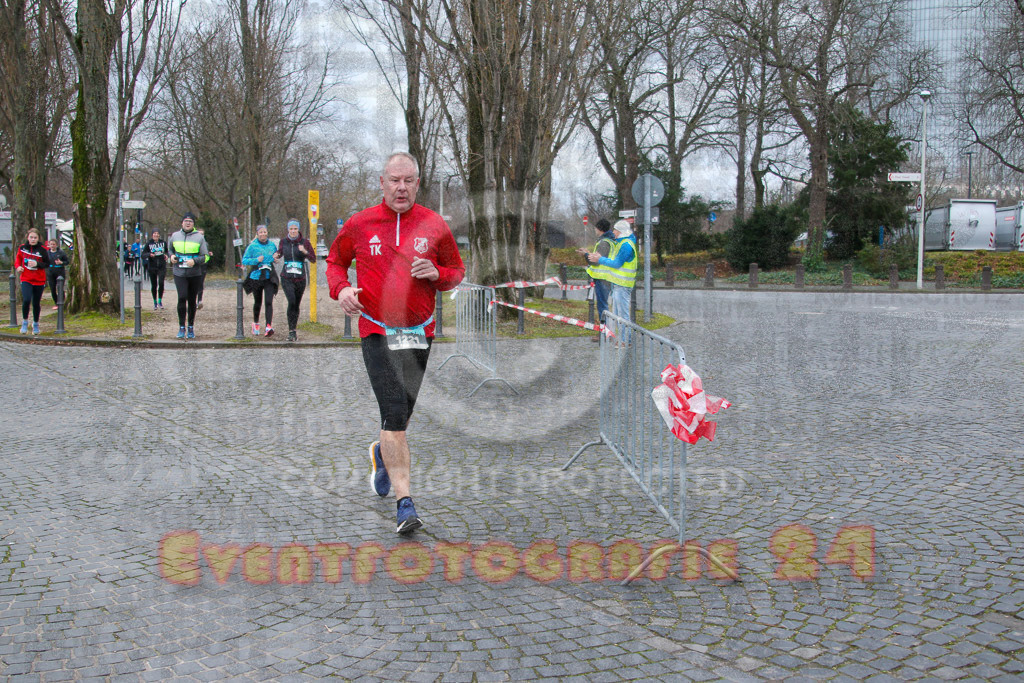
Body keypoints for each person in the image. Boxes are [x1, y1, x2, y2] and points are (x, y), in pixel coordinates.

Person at [327, 152, 465, 535]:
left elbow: (456, 272)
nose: (401, 188)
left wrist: (437, 273)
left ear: (417, 183)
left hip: (420, 331)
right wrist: (341, 290)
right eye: (394, 180)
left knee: (402, 415)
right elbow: (335, 262)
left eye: (408, 181)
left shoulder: (434, 225)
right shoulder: (360, 223)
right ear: (382, 183)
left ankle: (382, 453)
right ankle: (405, 504)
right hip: (376, 330)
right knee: (393, 413)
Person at [585, 219, 637, 344]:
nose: (613, 232)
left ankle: (625, 340)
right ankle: (622, 339)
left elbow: (617, 263)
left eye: (615, 230)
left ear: (621, 231)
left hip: (623, 284)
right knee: (618, 314)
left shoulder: (626, 245)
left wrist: (599, 259)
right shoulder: (622, 243)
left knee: (622, 314)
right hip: (618, 284)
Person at [168, 212, 209, 339]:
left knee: (192, 299)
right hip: (179, 272)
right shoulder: (175, 236)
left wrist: (195, 261)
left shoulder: (199, 238)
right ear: (182, 223)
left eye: (190, 221)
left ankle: (190, 326)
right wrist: (172, 256)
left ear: (193, 224)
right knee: (182, 297)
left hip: (194, 273)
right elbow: (169, 250)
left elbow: (206, 256)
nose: (188, 223)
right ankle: (181, 327)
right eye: (185, 221)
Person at [275, 219, 316, 342]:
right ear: (288, 230)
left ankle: (293, 330)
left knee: (296, 304)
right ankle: (291, 331)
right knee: (291, 301)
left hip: (300, 278)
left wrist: (304, 251)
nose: (293, 231)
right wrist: (276, 256)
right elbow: (280, 253)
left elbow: (313, 258)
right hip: (286, 277)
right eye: (291, 229)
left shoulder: (305, 242)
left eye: (295, 229)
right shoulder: (283, 242)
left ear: (298, 230)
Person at [578, 218, 615, 341]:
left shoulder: (604, 242)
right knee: (604, 306)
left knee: (602, 307)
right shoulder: (609, 241)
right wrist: (588, 253)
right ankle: (606, 332)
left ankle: (605, 333)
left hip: (602, 278)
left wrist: (585, 255)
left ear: (600, 229)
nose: (594, 230)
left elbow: (596, 261)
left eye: (595, 228)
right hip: (606, 277)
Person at [241, 224, 280, 337]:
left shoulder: (272, 245)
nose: (263, 234)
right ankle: (256, 323)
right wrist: (256, 260)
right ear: (257, 234)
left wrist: (276, 259)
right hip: (256, 277)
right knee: (258, 302)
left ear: (267, 233)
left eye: (265, 232)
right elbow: (244, 260)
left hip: (269, 277)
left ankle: (268, 326)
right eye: (261, 232)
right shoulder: (252, 246)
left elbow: (276, 256)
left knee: (269, 302)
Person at [15, 228, 49, 335]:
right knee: (26, 300)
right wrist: (18, 267)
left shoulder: (43, 249)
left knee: (36, 303)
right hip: (26, 278)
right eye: (31, 237)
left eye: (35, 238)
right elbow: (18, 260)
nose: (33, 239)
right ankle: (25, 321)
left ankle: (35, 323)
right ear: (27, 238)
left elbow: (47, 263)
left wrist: (37, 264)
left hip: (39, 280)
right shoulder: (22, 248)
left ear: (38, 238)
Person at [142, 229, 168, 309]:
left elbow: (167, 251)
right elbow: (143, 255)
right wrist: (149, 254)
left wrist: (166, 255)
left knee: (161, 283)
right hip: (152, 267)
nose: (156, 235)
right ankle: (155, 302)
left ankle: (160, 300)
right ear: (152, 235)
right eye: (154, 233)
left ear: (159, 235)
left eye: (157, 233)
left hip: (161, 266)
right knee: (154, 285)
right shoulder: (148, 244)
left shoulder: (163, 243)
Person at [44, 238, 69, 310]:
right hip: (50, 272)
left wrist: (61, 262)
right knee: (52, 288)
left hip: (59, 271)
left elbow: (67, 261)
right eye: (51, 244)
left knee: (60, 288)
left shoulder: (61, 252)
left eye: (54, 244)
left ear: (56, 245)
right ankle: (56, 302)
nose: (52, 246)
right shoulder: (47, 253)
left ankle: (61, 302)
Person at [196, 228, 211, 310]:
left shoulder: (206, 244)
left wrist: (209, 254)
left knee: (201, 283)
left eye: (202, 234)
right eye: (199, 234)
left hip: (203, 266)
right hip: (195, 265)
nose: (201, 235)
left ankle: (199, 300)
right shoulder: (194, 243)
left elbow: (206, 254)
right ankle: (193, 300)